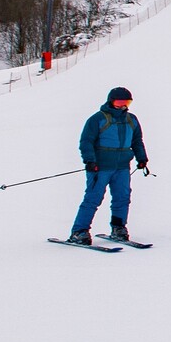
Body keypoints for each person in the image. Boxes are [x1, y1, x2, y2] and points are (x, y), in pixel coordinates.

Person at [65, 86, 149, 246]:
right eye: (119, 102)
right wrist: (89, 161)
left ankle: (119, 228)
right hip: (100, 167)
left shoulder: (132, 119)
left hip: (122, 167)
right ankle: (79, 231)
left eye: (127, 102)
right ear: (111, 101)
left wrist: (142, 158)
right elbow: (86, 142)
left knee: (122, 198)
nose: (122, 105)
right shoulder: (98, 119)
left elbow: (137, 140)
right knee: (93, 198)